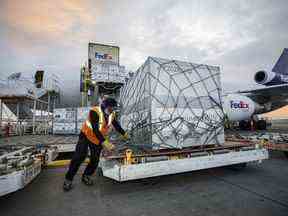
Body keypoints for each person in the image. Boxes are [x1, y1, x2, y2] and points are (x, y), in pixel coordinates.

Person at [63, 97, 128, 191]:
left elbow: (116, 125)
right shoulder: (94, 111)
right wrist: (105, 142)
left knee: (95, 159)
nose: (112, 110)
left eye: (113, 109)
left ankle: (86, 175)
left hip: (97, 139)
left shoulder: (111, 114)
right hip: (86, 135)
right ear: (105, 106)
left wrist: (124, 133)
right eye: (111, 108)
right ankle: (68, 179)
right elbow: (95, 129)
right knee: (79, 157)